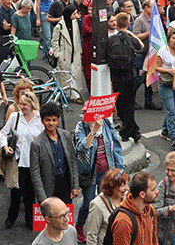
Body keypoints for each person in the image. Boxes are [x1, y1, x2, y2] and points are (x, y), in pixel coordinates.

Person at [74, 110, 125, 242]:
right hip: (90, 173)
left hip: (106, 170)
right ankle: (79, 226)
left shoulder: (107, 124)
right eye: (87, 114)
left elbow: (116, 146)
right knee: (89, 202)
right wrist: (93, 131)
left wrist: (119, 168)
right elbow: (82, 147)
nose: (91, 118)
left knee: (106, 200)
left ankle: (103, 227)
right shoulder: (81, 127)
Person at [0, 91, 43, 229]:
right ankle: (11, 217)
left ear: (32, 105)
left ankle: (30, 219)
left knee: (31, 193)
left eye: (25, 104)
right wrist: (5, 147)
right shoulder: (15, 117)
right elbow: (3, 133)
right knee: (16, 192)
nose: (21, 107)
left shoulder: (41, 119)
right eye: (20, 104)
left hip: (34, 163)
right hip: (18, 161)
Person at [30, 102, 80, 205]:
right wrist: (42, 197)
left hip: (65, 183)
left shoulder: (66, 136)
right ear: (42, 121)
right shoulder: (36, 143)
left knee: (66, 217)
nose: (51, 123)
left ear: (58, 120)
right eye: (47, 120)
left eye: (54, 120)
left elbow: (72, 161)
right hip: (48, 187)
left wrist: (75, 185)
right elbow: (35, 173)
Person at [107, 13, 144, 143]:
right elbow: (141, 45)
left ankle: (129, 131)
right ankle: (131, 131)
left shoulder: (111, 40)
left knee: (120, 105)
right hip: (130, 76)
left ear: (116, 23)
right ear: (128, 24)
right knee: (129, 105)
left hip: (116, 77)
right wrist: (130, 33)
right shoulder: (131, 39)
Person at [110, 171, 159, 245]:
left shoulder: (150, 210)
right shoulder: (123, 221)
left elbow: (154, 240)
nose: (157, 191)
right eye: (153, 189)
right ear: (142, 194)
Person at [85, 168, 130, 245]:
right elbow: (92, 235)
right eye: (123, 186)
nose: (127, 188)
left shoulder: (126, 197)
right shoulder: (97, 205)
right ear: (112, 186)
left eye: (126, 184)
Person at [51, 4, 87, 98]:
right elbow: (54, 41)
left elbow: (77, 38)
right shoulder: (59, 26)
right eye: (74, 14)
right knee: (66, 75)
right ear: (68, 14)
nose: (76, 16)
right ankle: (67, 94)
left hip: (74, 53)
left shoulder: (74, 22)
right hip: (65, 54)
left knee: (74, 73)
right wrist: (58, 54)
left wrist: (80, 51)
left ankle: (75, 95)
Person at [156, 29, 175, 148]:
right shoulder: (163, 50)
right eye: (173, 38)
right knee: (171, 110)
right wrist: (169, 70)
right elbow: (157, 67)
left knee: (173, 108)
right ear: (169, 39)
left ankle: (164, 130)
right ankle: (174, 136)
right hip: (166, 82)